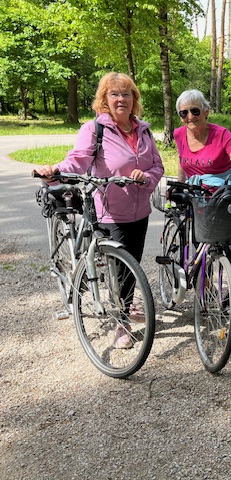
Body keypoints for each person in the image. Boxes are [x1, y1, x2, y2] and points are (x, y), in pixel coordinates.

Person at [35, 72, 164, 349]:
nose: (121, 99)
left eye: (126, 94)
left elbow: (157, 165)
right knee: (119, 268)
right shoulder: (95, 129)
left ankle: (125, 306)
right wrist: (55, 170)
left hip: (139, 210)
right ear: (105, 99)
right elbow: (78, 160)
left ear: (134, 99)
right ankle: (121, 323)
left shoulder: (143, 130)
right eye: (114, 94)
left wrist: (147, 177)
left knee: (132, 266)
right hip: (109, 210)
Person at [174, 89, 231, 284]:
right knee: (200, 247)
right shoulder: (179, 134)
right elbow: (182, 161)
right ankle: (205, 292)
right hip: (199, 197)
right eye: (184, 113)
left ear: (206, 111)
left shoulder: (221, 134)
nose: (190, 116)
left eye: (195, 111)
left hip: (226, 196)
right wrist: (180, 185)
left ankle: (229, 294)